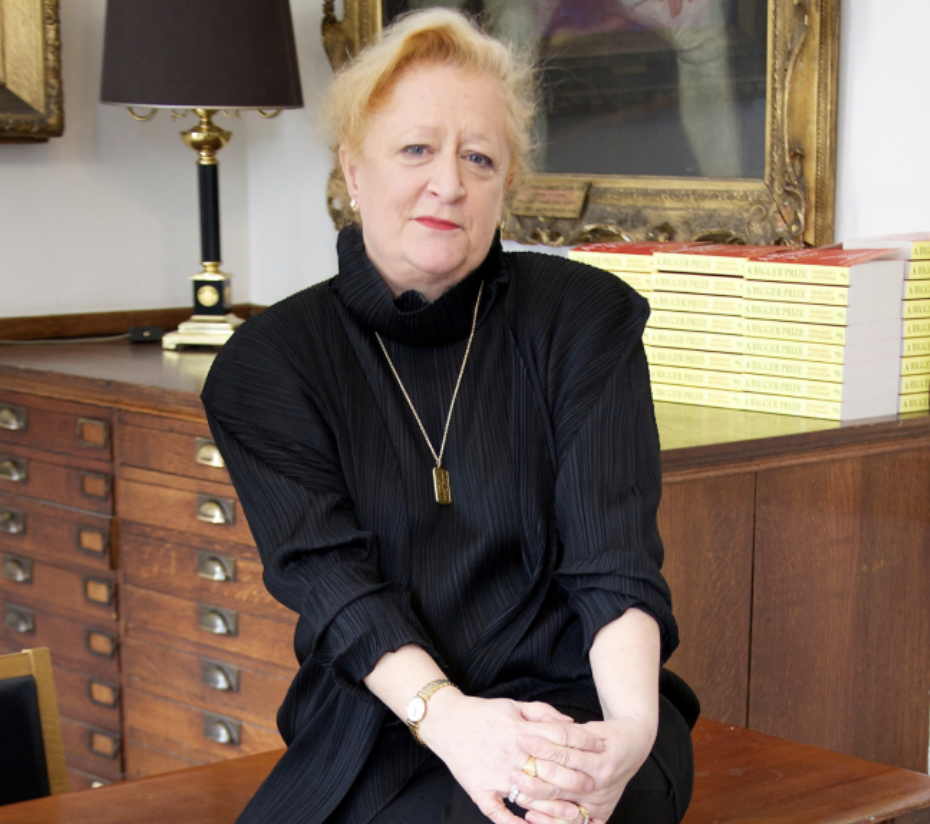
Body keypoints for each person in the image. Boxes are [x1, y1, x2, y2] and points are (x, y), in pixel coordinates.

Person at [201, 9, 697, 824]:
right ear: (353, 168)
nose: (449, 183)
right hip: (388, 720)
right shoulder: (269, 366)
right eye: (416, 150)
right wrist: (454, 722)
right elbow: (337, 590)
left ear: (507, 182)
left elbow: (615, 565)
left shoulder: (584, 319)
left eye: (479, 157)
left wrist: (629, 736)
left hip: (579, 707)